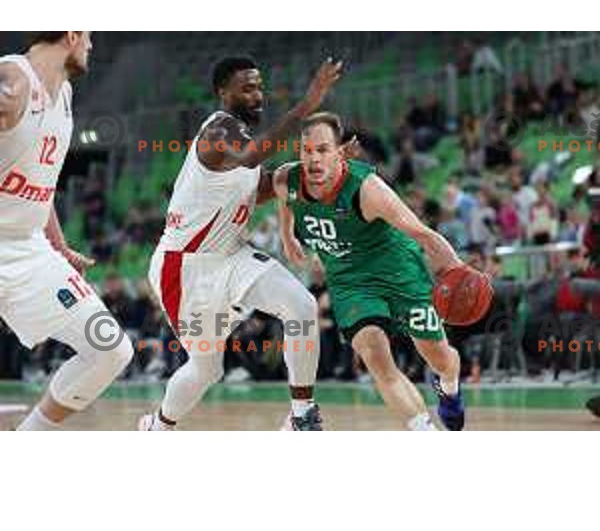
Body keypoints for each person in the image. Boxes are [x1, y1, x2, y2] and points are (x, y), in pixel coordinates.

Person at [138, 56, 342, 431]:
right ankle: (159, 426)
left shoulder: (241, 145)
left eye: (259, 86)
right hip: (186, 269)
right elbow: (254, 155)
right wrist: (308, 105)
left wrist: (320, 169)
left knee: (301, 306)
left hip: (232, 256)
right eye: (246, 87)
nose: (257, 94)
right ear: (222, 93)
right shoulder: (219, 131)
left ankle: (301, 416)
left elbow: (266, 186)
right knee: (206, 370)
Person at [274, 112, 471, 431]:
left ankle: (449, 384)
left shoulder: (367, 190)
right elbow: (284, 201)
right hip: (350, 283)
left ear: (340, 152)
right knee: (374, 354)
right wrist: (287, 235)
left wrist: (457, 270)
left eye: (322, 150)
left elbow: (422, 233)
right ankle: (424, 430)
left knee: (439, 357)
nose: (313, 158)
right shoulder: (286, 180)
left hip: (399, 272)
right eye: (306, 150)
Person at [0, 32, 133, 430]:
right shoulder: (11, 81)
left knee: (110, 348)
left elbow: (40, 183)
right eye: (88, 36)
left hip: (28, 249)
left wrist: (59, 246)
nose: (91, 46)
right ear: (72, 34)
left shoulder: (66, 95)